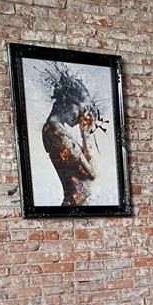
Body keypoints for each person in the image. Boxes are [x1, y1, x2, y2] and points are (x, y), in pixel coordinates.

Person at [39, 67, 103, 206]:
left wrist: (85, 135)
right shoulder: (55, 132)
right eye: (79, 108)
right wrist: (85, 135)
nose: (81, 114)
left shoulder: (57, 130)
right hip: (74, 205)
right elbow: (91, 172)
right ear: (66, 101)